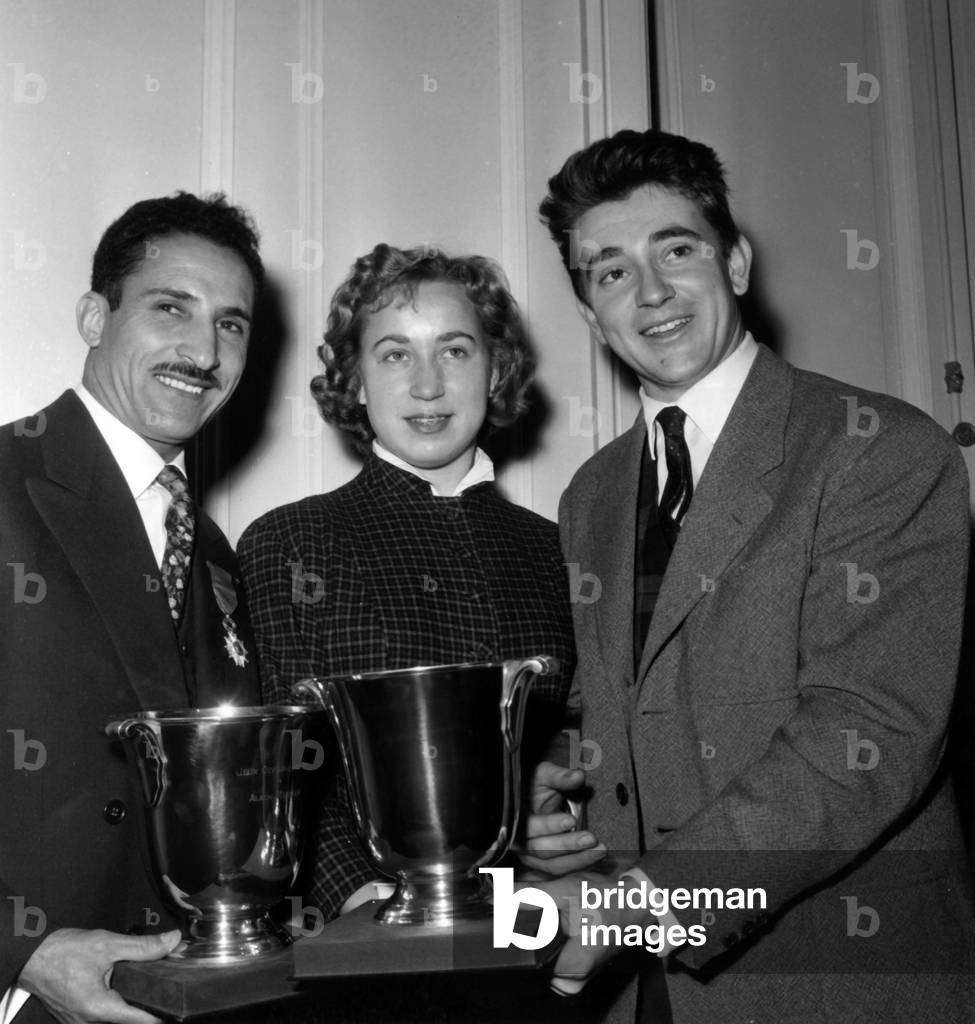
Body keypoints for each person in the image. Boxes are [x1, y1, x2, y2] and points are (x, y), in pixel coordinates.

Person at [520, 129, 975, 1022]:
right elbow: (617, 709)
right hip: (640, 993)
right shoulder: (589, 495)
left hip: (837, 980)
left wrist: (640, 903)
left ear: (734, 262)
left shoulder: (879, 448)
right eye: (609, 272)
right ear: (590, 313)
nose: (649, 292)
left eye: (675, 251)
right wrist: (545, 791)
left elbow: (868, 732)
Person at [238, 243, 575, 922]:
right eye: (394, 354)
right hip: (364, 931)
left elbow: (581, 739)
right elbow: (280, 767)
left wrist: (554, 808)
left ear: (496, 369)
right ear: (356, 379)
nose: (428, 386)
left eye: (455, 351)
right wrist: (361, 906)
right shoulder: (289, 541)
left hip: (534, 924)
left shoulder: (557, 548)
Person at [0, 193, 264, 1024]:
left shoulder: (214, 551)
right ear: (94, 317)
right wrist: (22, 953)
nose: (203, 351)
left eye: (230, 324)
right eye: (170, 308)